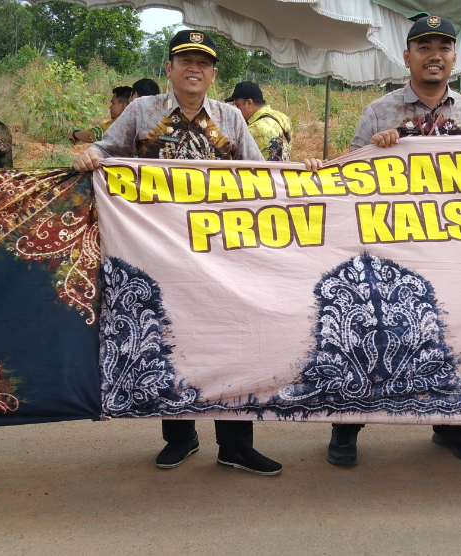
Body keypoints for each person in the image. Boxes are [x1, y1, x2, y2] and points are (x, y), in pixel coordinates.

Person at [73, 30, 281, 476]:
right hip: (158, 253)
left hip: (221, 253)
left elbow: (261, 176)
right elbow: (107, 151)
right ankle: (180, 437)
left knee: (231, 340)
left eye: (203, 62)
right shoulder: (142, 111)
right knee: (170, 337)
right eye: (185, 59)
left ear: (214, 73)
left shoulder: (231, 119)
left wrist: (304, 177)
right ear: (168, 68)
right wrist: (89, 154)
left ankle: (235, 444)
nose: (194, 68)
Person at [306, 15, 461, 466]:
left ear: (455, 57)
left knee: (453, 328)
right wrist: (370, 150)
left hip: (450, 243)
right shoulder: (380, 110)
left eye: (443, 46)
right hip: (389, 240)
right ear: (407, 56)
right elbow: (349, 172)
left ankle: (451, 424)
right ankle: (346, 426)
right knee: (371, 328)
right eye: (423, 47)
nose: (433, 55)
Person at [225, 81, 292, 161]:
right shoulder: (283, 118)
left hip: (263, 172)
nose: (235, 109)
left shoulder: (255, 129)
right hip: (283, 171)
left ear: (249, 103)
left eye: (237, 105)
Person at [68, 86, 133, 145]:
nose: (110, 107)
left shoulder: (119, 122)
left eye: (113, 103)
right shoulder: (135, 119)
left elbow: (94, 135)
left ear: (123, 105)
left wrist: (74, 134)